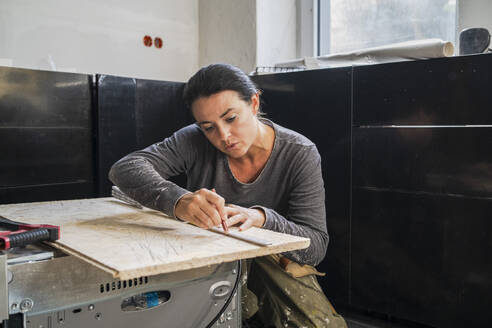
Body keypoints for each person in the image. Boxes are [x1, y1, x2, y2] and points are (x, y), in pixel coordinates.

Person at [109, 63, 347, 328]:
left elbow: (315, 247)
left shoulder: (299, 153)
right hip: (209, 258)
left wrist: (261, 218)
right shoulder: (194, 139)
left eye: (231, 119)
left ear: (254, 103)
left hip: (273, 264)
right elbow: (124, 168)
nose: (224, 136)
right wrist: (178, 200)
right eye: (208, 127)